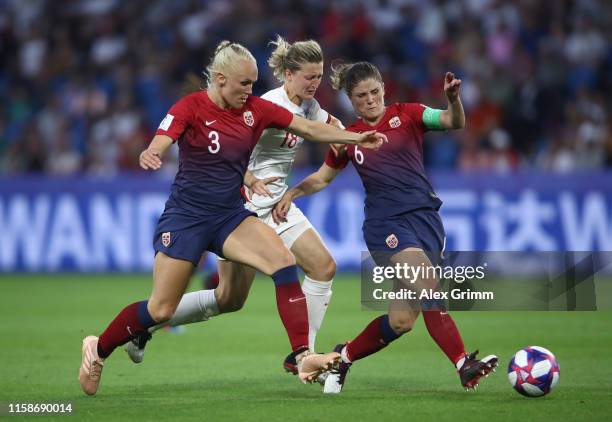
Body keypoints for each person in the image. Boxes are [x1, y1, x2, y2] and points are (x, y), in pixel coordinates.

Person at [78, 42, 386, 396]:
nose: (250, 92)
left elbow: (311, 129)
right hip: (188, 218)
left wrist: (356, 136)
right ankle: (98, 348)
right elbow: (164, 136)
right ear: (221, 79)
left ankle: (302, 356)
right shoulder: (190, 106)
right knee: (162, 308)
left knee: (284, 262)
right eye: (244, 84)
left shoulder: (258, 109)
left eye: (253, 84)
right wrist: (153, 151)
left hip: (230, 215)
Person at [272, 62, 498, 394]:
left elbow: (453, 121)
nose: (370, 100)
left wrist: (453, 99)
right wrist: (292, 192)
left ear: (383, 88)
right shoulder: (348, 138)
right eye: (361, 96)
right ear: (351, 99)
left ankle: (343, 357)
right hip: (385, 226)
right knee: (429, 287)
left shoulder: (409, 114)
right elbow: (322, 177)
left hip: (426, 222)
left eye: (375, 92)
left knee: (401, 322)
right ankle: (464, 363)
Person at [125, 36, 343, 377]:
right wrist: (248, 179)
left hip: (279, 203)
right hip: (244, 207)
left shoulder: (310, 107)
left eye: (319, 76)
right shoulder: (263, 105)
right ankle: (149, 323)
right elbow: (227, 153)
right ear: (288, 75)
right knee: (229, 299)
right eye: (308, 77)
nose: (315, 83)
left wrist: (360, 136)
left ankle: (304, 355)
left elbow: (328, 129)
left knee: (324, 267)